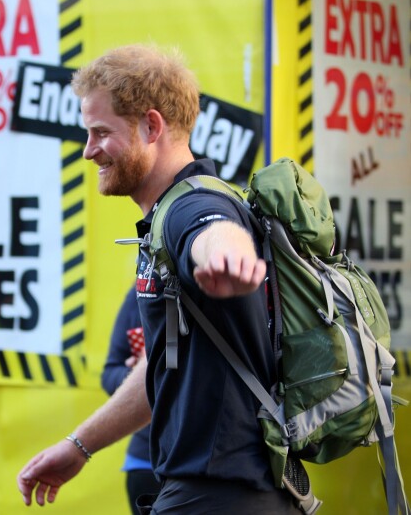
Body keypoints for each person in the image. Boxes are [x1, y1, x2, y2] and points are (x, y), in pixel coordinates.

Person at [16, 43, 300, 513]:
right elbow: (163, 369)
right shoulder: (174, 209)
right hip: (221, 490)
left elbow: (213, 231)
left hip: (219, 493)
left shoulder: (192, 206)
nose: (89, 151)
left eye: (100, 132)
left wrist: (230, 256)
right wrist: (80, 446)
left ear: (152, 126)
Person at [101, 287, 161, 514]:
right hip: (146, 461)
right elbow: (110, 374)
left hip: (215, 465)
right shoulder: (142, 291)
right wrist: (140, 373)